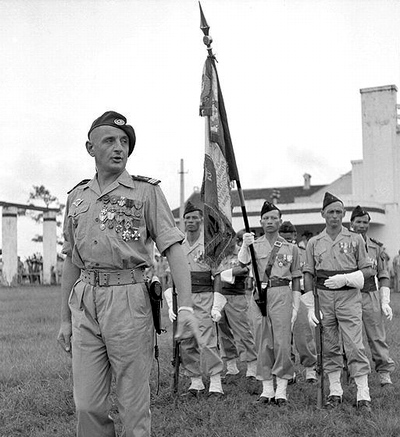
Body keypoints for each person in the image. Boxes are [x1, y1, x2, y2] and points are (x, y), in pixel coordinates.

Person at [56, 111, 197, 437]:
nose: (120, 148)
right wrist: (64, 318)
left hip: (130, 300)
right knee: (87, 406)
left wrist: (186, 307)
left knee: (133, 407)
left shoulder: (145, 192)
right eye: (110, 141)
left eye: (125, 142)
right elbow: (71, 260)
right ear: (90, 148)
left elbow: (174, 248)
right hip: (86, 300)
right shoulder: (76, 198)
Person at [302, 192, 374, 413]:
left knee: (354, 345)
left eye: (339, 212)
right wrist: (309, 305)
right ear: (322, 214)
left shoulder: (355, 239)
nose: (335, 216)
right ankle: (335, 391)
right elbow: (308, 273)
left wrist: (346, 278)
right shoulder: (314, 242)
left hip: (349, 297)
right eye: (331, 212)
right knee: (330, 346)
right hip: (323, 299)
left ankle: (363, 393)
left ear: (344, 215)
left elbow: (368, 269)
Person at [238, 201, 302, 406]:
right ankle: (267, 389)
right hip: (259, 296)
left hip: (282, 293)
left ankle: (282, 389)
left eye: (274, 218)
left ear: (280, 221)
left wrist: (296, 304)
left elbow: (296, 278)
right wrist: (244, 245)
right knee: (262, 341)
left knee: (282, 342)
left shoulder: (291, 248)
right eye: (266, 218)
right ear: (260, 222)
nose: (270, 221)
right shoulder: (254, 245)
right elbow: (243, 263)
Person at [177, 201, 225, 398]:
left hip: (204, 294)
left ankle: (215, 381)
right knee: (187, 340)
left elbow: (218, 275)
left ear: (201, 220)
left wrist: (217, 303)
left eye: (194, 218)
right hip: (184, 298)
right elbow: (173, 275)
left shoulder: (209, 244)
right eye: (187, 218)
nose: (190, 221)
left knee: (206, 340)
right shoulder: (178, 245)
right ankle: (195, 382)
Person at [350, 205, 395, 386]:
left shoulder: (375, 247)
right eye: (358, 222)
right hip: (349, 295)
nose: (362, 225)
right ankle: (353, 373)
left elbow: (383, 274)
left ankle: (384, 372)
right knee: (351, 337)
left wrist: (385, 301)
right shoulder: (344, 245)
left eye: (365, 222)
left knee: (377, 336)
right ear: (351, 223)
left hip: (370, 294)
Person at [213, 230, 258, 380]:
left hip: (237, 295)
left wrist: (228, 272)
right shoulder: (219, 255)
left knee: (242, 331)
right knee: (223, 330)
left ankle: (252, 364)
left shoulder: (243, 252)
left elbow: (245, 269)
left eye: (228, 238)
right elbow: (214, 272)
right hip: (220, 294)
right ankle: (231, 365)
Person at [279, 221, 317, 384]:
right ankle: (288, 371)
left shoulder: (304, 251)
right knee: (283, 338)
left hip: (300, 295)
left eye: (290, 237)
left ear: (295, 236)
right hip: (281, 296)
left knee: (304, 336)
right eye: (284, 238)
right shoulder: (275, 252)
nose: (287, 241)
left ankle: (310, 369)